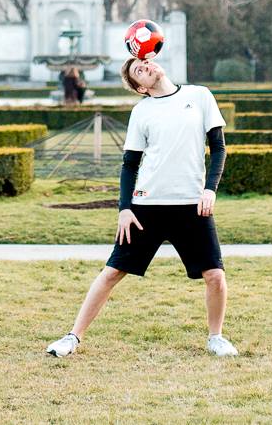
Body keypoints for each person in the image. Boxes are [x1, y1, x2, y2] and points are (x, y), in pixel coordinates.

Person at [46, 55, 235, 359]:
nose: (145, 66)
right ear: (140, 88)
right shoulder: (142, 111)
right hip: (147, 206)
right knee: (111, 272)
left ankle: (217, 338)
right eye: (138, 71)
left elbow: (219, 147)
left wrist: (209, 190)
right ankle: (71, 337)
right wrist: (125, 208)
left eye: (144, 62)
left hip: (191, 205)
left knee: (215, 275)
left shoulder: (199, 96)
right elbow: (129, 164)